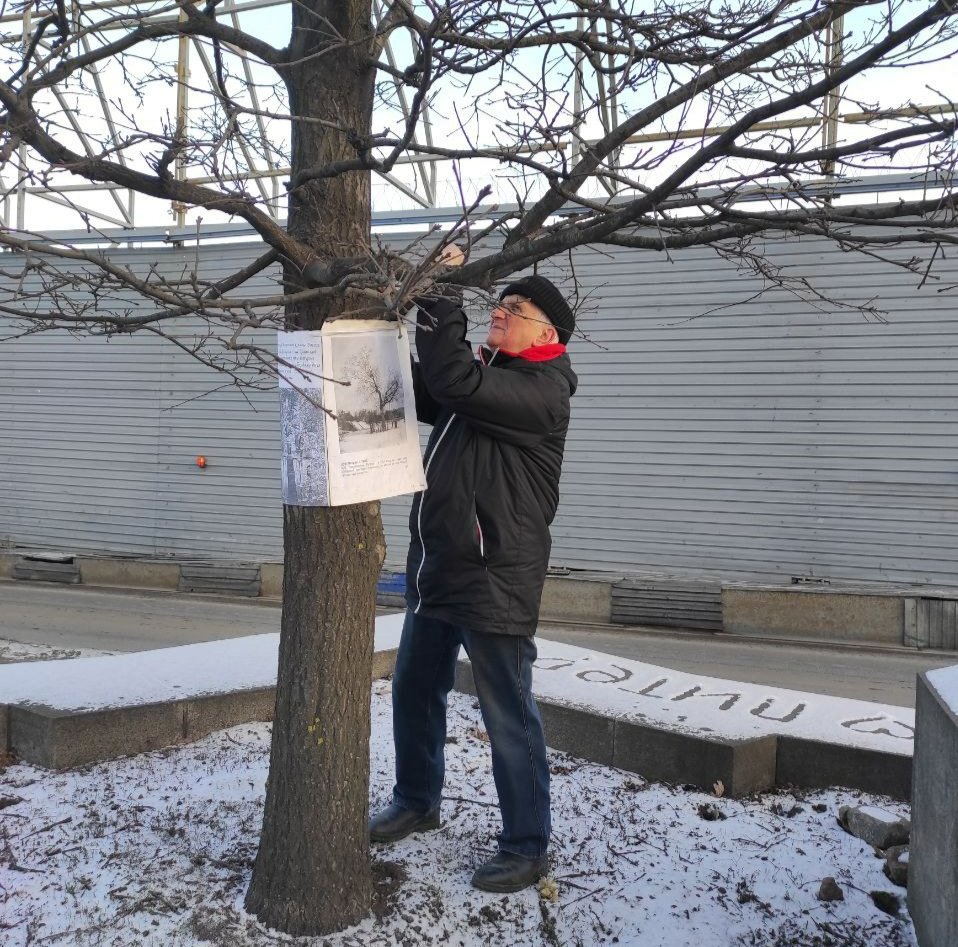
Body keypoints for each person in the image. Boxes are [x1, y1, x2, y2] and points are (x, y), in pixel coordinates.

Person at [369, 269, 578, 893]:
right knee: (412, 689)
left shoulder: (542, 392)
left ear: (547, 331)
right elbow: (430, 384)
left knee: (507, 716)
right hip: (438, 571)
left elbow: (455, 380)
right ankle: (416, 799)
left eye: (513, 309)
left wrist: (441, 290)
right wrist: (390, 330)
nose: (499, 312)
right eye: (500, 303)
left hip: (495, 580)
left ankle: (525, 844)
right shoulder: (487, 380)